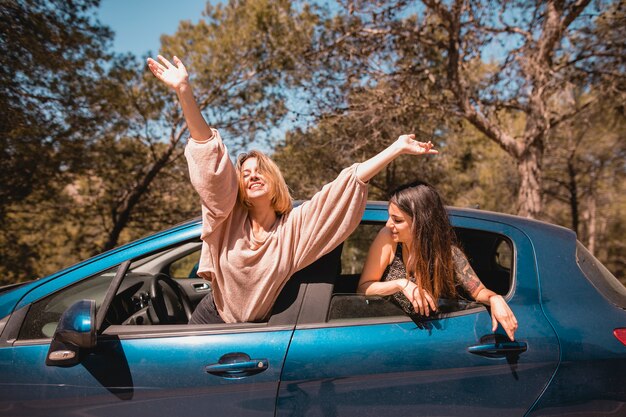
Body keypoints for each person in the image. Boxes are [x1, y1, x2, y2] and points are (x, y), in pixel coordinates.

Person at [147, 55, 439, 324]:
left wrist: (396, 148)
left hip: (257, 335)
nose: (252, 176)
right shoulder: (225, 219)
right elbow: (211, 164)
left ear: (274, 181)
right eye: (245, 174)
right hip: (212, 318)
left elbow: (345, 185)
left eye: (260, 171)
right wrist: (184, 91)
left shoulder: (293, 230)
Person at [357, 181, 519, 340]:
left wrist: (495, 298)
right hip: (385, 334)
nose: (388, 224)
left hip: (431, 339)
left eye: (397, 220)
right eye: (389, 217)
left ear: (420, 222)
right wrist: (401, 284)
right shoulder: (388, 238)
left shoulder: (448, 254)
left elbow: (478, 292)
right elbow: (364, 288)